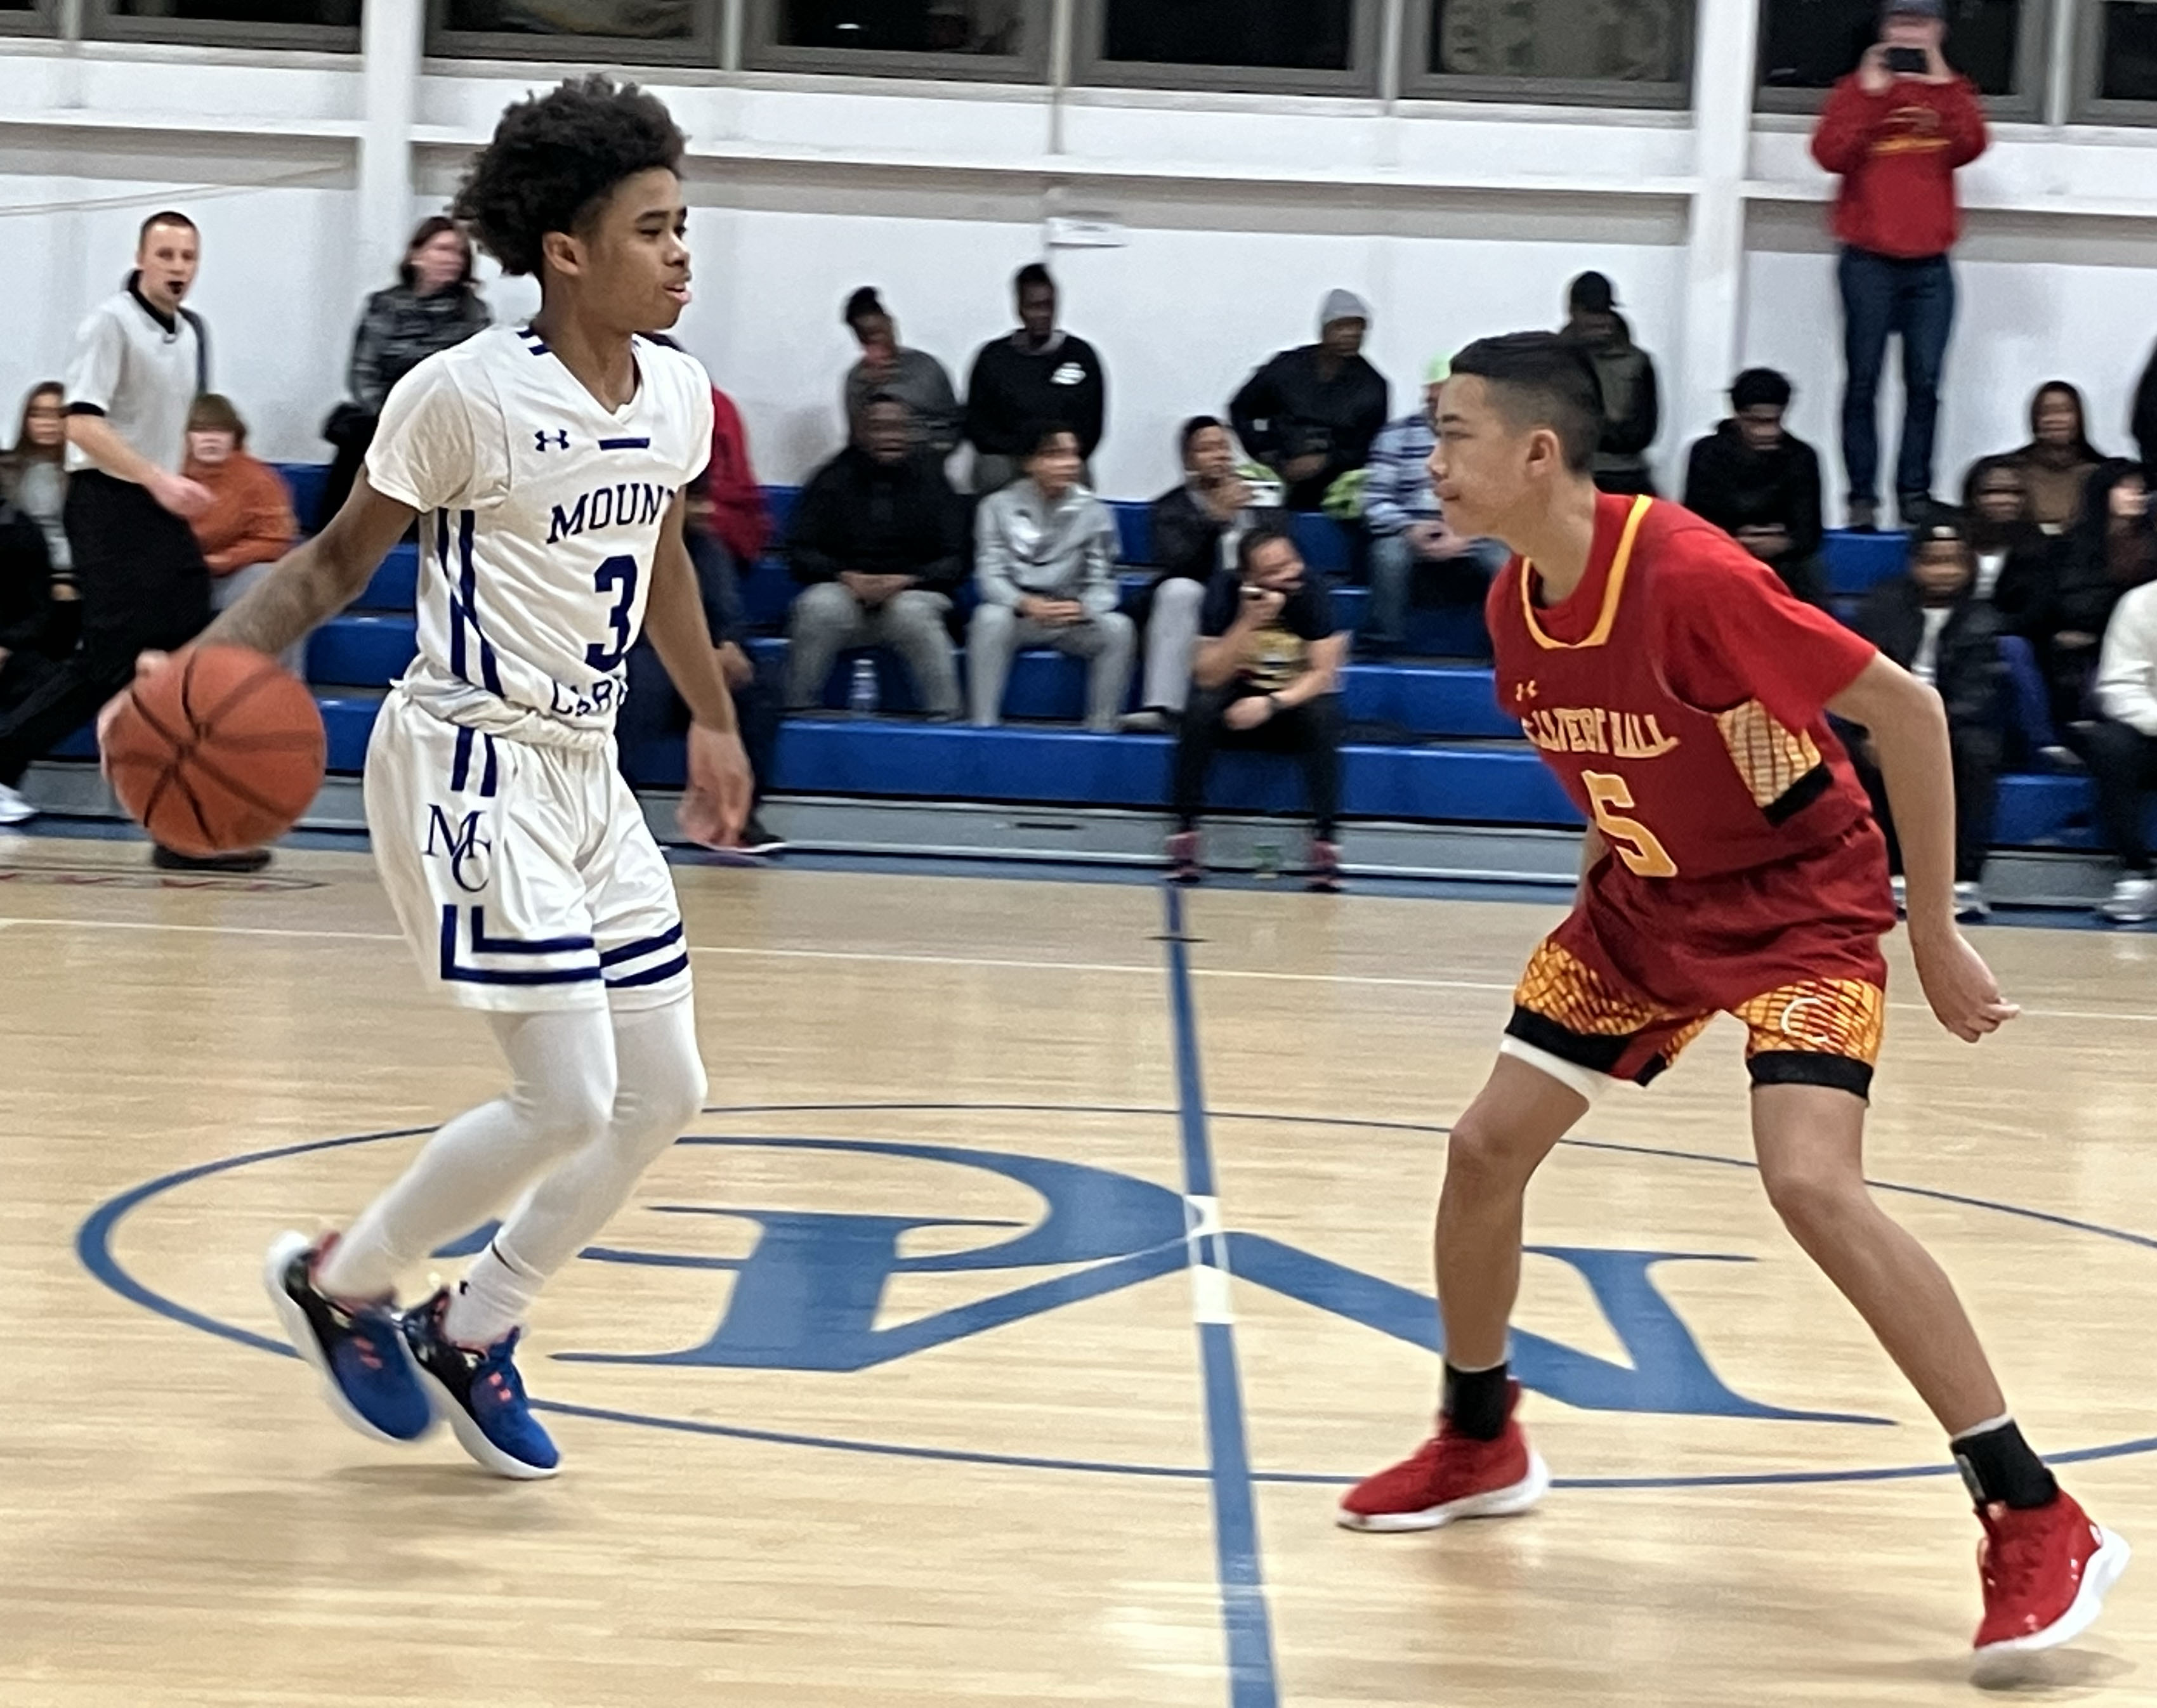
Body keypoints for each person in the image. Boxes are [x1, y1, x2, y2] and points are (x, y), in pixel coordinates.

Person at [1338, 332, 2126, 1671]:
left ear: (1537, 451)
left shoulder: (1691, 574)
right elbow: (1621, 763)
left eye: (1454, 433)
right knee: (1482, 1149)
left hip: (1799, 903)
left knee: (1810, 1181)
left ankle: (2033, 1508)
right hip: (1645, 906)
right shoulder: (1514, 604)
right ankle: (1479, 1435)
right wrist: (1599, 886)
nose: (1434, 459)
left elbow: (1908, 712)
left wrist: (1933, 928)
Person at [117, 77, 753, 1480]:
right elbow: (332, 563)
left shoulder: (678, 395)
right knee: (567, 1096)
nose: (680, 253)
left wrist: (711, 719)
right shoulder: (462, 393)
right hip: (471, 755)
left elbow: (659, 556)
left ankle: (475, 1324)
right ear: (567, 251)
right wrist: (190, 682)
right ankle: (343, 1279)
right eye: (652, 229)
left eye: (683, 225)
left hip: (589, 766)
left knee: (664, 1092)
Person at [0, 212, 216, 844]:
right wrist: (156, 477)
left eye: (188, 256)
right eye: (166, 254)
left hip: (155, 504)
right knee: (108, 656)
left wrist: (174, 483)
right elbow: (81, 423)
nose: (178, 267)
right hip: (105, 501)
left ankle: (155, 753)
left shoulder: (191, 333)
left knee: (192, 621)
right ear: (142, 258)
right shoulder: (109, 324)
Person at [1811, 0, 1988, 530]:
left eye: (1920, 23)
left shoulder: (1950, 90)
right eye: (1900, 22)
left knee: (1926, 383)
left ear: (1940, 30)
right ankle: (1862, 497)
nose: (1909, 33)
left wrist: (1941, 78)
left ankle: (1915, 493)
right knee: (1863, 381)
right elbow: (1830, 155)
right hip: (1867, 260)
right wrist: (1871, 95)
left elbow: (1971, 144)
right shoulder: (1854, 90)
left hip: (1931, 265)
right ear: (1882, 29)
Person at [1167, 525, 1349, 892]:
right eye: (1275, 570)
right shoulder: (1223, 590)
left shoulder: (1313, 590)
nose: (1290, 573)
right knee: (1200, 708)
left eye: (1292, 561)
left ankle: (1325, 841)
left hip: (1286, 706)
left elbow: (1323, 675)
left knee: (1323, 713)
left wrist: (1272, 703)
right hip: (1236, 704)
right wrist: (1249, 620)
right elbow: (1207, 675)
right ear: (1249, 578)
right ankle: (1185, 832)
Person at [1847, 518, 2005, 919]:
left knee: (1976, 753)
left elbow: (1977, 697)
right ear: (1914, 564)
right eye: (1933, 561)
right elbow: (1857, 674)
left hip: (1953, 724)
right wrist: (1879, 725)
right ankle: (1890, 871)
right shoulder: (1881, 607)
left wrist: (1921, 731)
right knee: (1858, 753)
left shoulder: (1983, 618)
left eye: (1953, 562)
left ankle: (1964, 878)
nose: (1943, 571)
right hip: (1884, 717)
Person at [784, 393, 964, 719]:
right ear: (859, 432)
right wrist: (843, 576)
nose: (889, 437)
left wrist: (908, 580)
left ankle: (947, 718)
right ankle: (796, 714)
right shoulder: (830, 480)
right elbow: (800, 552)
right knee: (818, 607)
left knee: (912, 613)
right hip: (844, 591)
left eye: (898, 428)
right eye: (879, 428)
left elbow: (956, 560)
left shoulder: (935, 482)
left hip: (915, 592)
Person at [320, 216, 490, 523]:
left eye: (459, 253)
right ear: (416, 255)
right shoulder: (383, 305)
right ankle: (337, 531)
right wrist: (393, 417)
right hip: (385, 415)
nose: (452, 259)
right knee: (357, 441)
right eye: (443, 249)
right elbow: (363, 373)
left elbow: (477, 379)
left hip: (444, 418)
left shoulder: (473, 313)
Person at [967, 422, 1132, 730]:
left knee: (1118, 628)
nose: (1069, 463)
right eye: (1056, 455)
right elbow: (990, 575)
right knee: (989, 618)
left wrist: (1083, 608)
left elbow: (1105, 579)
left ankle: (1102, 728)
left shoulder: (1096, 512)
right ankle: (983, 726)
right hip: (1021, 614)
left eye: (1073, 455)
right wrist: (1025, 603)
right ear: (1030, 462)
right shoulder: (995, 507)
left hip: (1070, 615)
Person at [1123, 415, 1278, 733]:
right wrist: (1215, 518)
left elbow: (1281, 551)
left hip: (1251, 595)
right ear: (1188, 461)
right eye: (1206, 449)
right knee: (1178, 591)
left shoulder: (1260, 499)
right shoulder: (1170, 508)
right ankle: (1165, 708)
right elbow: (1178, 565)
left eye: (1223, 447)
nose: (1219, 455)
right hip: (1200, 598)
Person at [1362, 355, 1512, 654]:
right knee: (1388, 556)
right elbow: (1375, 500)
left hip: (1474, 531)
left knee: (1505, 562)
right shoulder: (1396, 435)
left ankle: (1505, 647)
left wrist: (1466, 533)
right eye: (1435, 397)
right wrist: (1411, 529)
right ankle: (1384, 643)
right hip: (1409, 530)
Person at [1230, 289, 1390, 512]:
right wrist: (1267, 455)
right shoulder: (1286, 368)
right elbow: (1240, 409)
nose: (1351, 334)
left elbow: (1372, 446)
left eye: (1358, 327)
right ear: (1324, 330)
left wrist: (1324, 462)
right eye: (1342, 326)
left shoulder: (1373, 386)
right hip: (1278, 478)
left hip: (1338, 494)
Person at [1681, 367, 1827, 605]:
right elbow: (1695, 521)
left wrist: (1784, 543)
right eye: (1756, 421)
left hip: (1785, 560)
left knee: (1807, 572)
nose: (1767, 431)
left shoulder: (1800, 457)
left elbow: (1809, 531)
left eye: (1774, 421)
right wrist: (1736, 541)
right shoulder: (1707, 454)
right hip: (1721, 554)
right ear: (1738, 416)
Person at [182, 393, 303, 675]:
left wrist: (223, 561)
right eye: (201, 431)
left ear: (235, 436)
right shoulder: (163, 476)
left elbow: (275, 539)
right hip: (177, 575)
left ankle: (278, 688)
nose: (211, 439)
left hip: (235, 573)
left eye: (221, 431)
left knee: (278, 587)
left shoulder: (259, 478)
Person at [963, 264, 1106, 494]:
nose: (1043, 315)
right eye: (1034, 307)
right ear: (1019, 309)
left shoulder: (1081, 356)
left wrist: (1052, 456)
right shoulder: (993, 358)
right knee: (991, 470)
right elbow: (978, 426)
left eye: (1048, 306)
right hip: (1010, 458)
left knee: (1077, 471)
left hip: (1060, 457)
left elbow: (1091, 429)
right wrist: (1027, 455)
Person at [2049, 460, 2157, 728]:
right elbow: (2068, 602)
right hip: (2083, 648)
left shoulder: (2151, 546)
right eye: (2125, 487)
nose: (2136, 495)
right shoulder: (2073, 545)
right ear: (2102, 491)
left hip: (2135, 642)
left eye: (2141, 489)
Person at [2088, 573, 2157, 924]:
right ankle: (2137, 874)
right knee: (2111, 744)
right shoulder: (2141, 603)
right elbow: (2119, 687)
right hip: (2152, 732)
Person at [1560, 272, 1659, 497]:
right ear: (1573, 312)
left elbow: (1642, 433)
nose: (1598, 321)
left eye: (1602, 312)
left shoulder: (1638, 362)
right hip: (1569, 473)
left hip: (1625, 477)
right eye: (1590, 312)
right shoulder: (1554, 359)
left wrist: (1589, 431)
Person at [1, 382, 74, 663]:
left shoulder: (84, 476)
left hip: (70, 580)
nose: (48, 423)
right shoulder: (8, 470)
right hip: (19, 583)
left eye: (58, 414)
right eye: (38, 414)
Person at [841, 287, 960, 459]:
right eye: (866, 337)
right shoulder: (857, 379)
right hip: (877, 460)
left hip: (928, 455)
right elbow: (856, 439)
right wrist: (868, 390)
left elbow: (952, 424)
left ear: (891, 324)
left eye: (879, 332)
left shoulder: (927, 368)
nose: (876, 340)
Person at [2002, 382, 2106, 535]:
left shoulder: (2102, 474)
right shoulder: (2009, 472)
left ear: (2079, 418)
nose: (2055, 419)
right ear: (2035, 419)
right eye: (2046, 412)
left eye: (2064, 411)